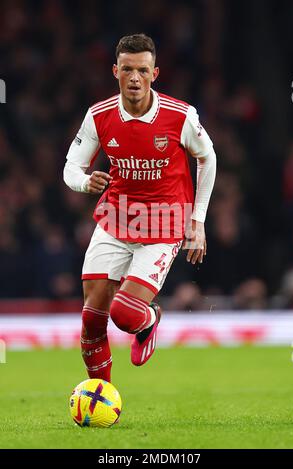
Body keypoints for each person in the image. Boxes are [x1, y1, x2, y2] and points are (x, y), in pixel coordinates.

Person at [63, 33, 216, 382]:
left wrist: (198, 220)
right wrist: (85, 183)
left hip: (165, 223)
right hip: (115, 219)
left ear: (155, 73)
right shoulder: (98, 116)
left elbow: (208, 158)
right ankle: (99, 394)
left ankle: (149, 319)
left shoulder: (180, 115)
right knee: (91, 319)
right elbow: (71, 166)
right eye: (128, 69)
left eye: (143, 70)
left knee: (125, 314)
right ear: (115, 71)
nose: (135, 78)